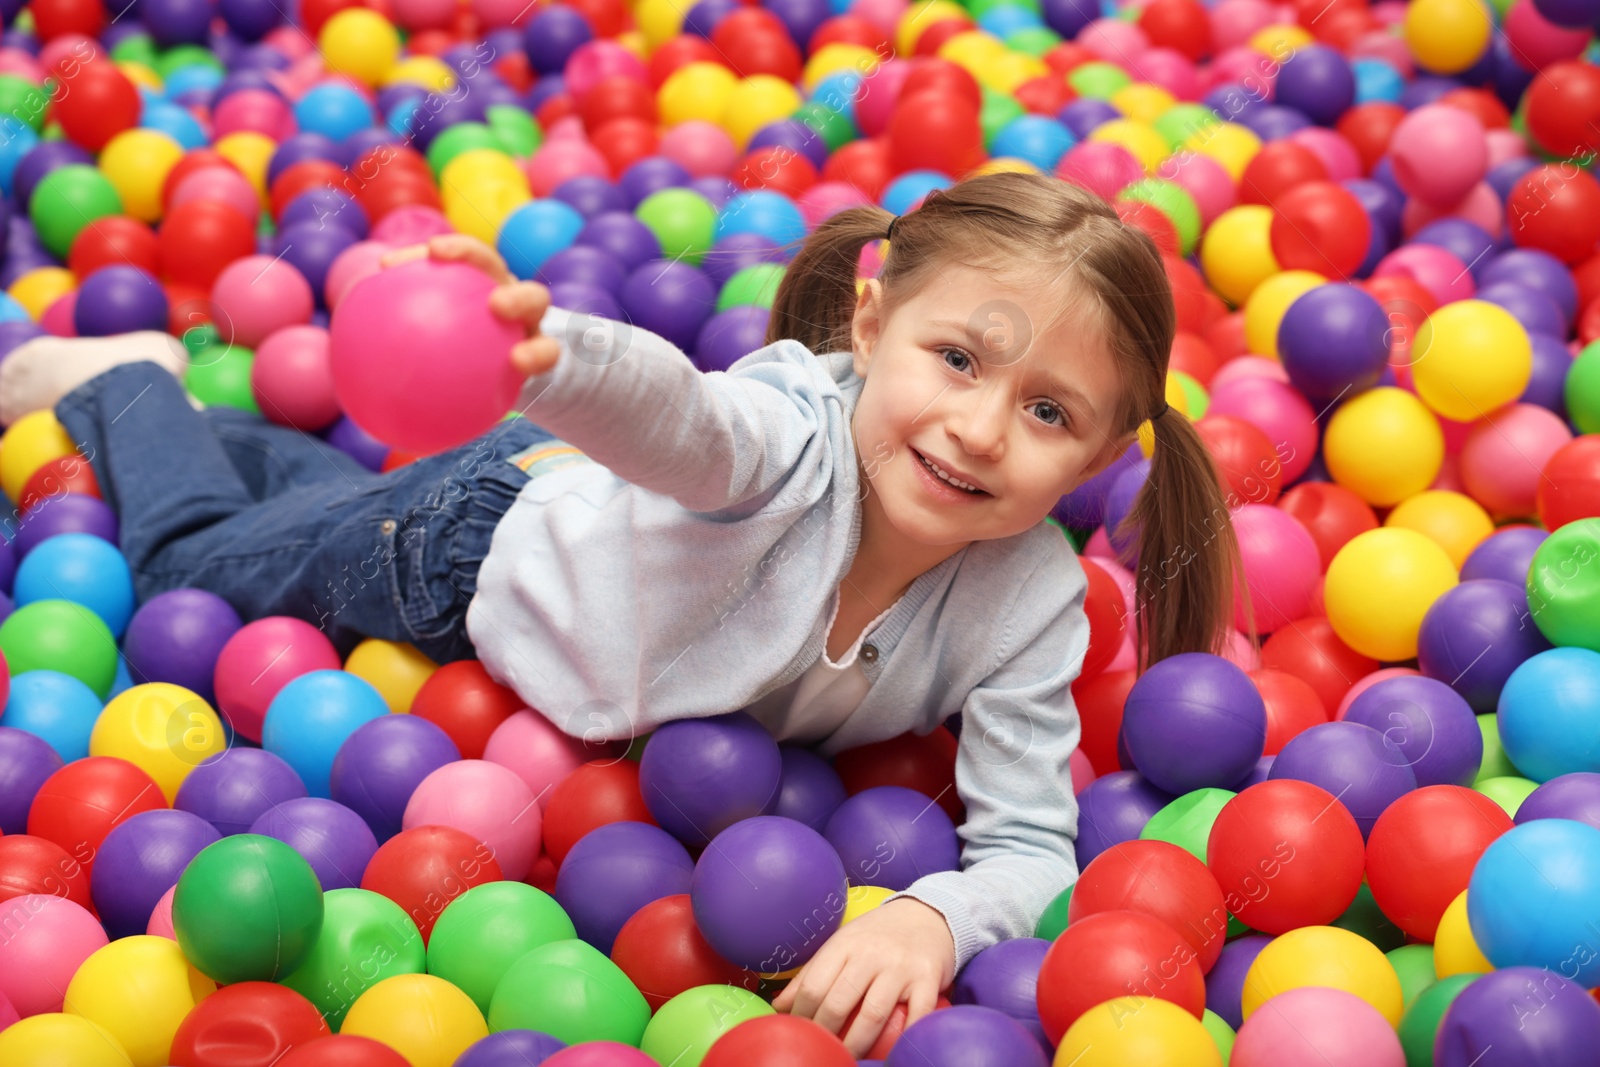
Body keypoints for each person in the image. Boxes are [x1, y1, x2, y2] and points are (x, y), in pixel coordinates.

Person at [0, 170, 1239, 1056]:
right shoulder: (786, 437)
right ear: (869, 323)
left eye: (1047, 413)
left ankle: (242, 443)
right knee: (181, 572)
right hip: (463, 549)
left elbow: (1028, 850)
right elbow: (686, 419)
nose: (978, 426)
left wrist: (931, 913)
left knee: (304, 502)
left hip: (551, 514)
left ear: (1094, 459)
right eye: (957, 359)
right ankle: (126, 380)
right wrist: (559, 356)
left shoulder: (1030, 602)